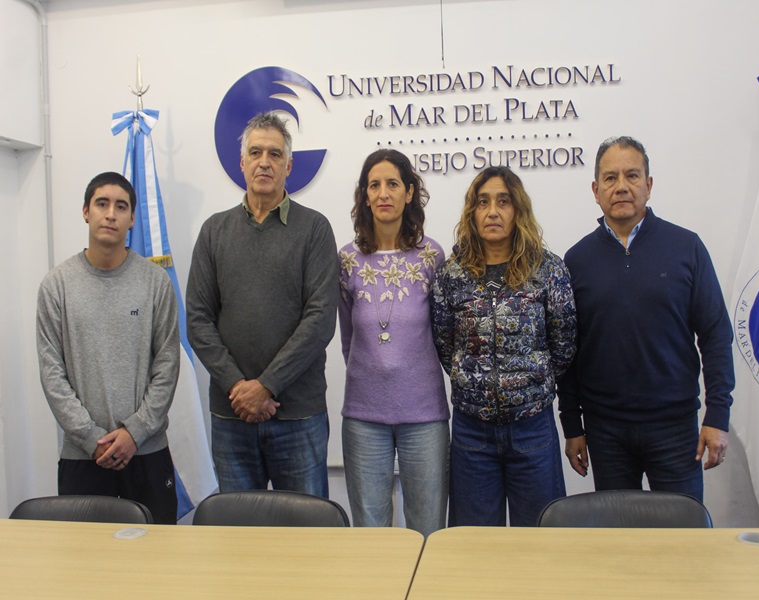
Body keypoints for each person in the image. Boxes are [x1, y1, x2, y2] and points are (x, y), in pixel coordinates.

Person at [558, 136, 734, 502]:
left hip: (675, 428)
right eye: (610, 178)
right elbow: (567, 352)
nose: (621, 186)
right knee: (619, 535)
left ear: (648, 185)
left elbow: (715, 335)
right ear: (595, 190)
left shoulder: (686, 247)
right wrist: (572, 425)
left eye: (632, 175)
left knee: (683, 532)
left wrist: (717, 415)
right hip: (605, 431)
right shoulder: (576, 261)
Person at [186, 111, 338, 497]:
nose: (264, 162)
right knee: (238, 530)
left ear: (289, 166)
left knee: (306, 528)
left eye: (275, 154)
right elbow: (198, 320)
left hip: (298, 416)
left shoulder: (315, 229)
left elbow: (320, 319)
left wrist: (266, 386)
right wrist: (239, 387)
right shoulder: (214, 231)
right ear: (242, 163)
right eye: (255, 152)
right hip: (231, 415)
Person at [432, 166, 576, 526]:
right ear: (472, 212)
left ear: (518, 210)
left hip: (532, 427)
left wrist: (527, 383)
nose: (493, 212)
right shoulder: (452, 274)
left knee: (540, 538)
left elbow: (563, 345)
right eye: (483, 203)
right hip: (472, 432)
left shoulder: (548, 270)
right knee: (474, 546)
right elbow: (445, 346)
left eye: (503, 202)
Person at [36, 171, 180, 524]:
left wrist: (134, 433)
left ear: (132, 218)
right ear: (86, 211)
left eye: (121, 206)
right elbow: (52, 374)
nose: (111, 214)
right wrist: (92, 438)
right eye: (102, 204)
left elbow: (167, 365)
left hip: (146, 452)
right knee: (85, 556)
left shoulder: (155, 283)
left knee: (154, 553)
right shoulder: (57, 286)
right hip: (83, 457)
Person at [338, 149, 449, 536]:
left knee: (428, 529)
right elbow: (348, 338)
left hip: (425, 416)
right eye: (374, 185)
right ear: (364, 196)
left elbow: (443, 334)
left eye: (393, 184)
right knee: (371, 533)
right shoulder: (347, 261)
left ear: (409, 192)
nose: (383, 193)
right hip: (364, 417)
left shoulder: (432, 256)